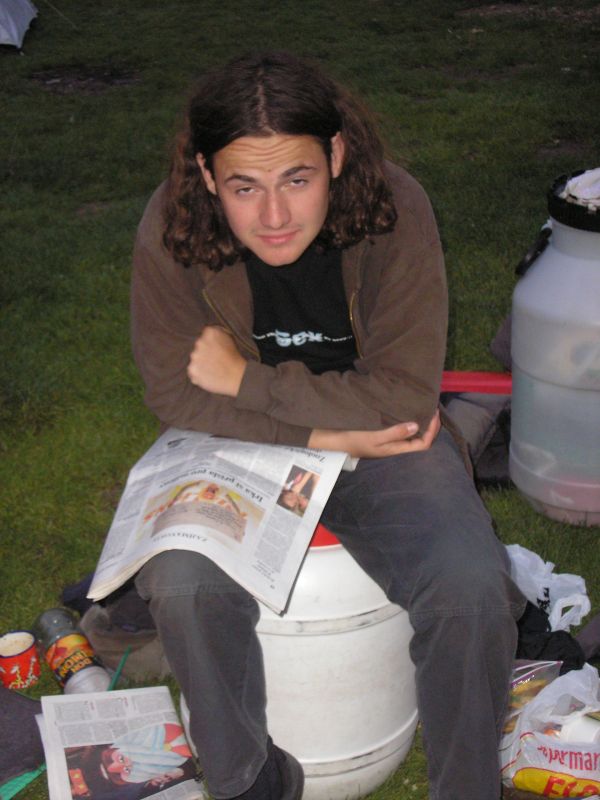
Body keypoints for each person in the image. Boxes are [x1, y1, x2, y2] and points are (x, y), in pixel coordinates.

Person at [131, 52, 525, 800]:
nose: (275, 216)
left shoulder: (395, 206)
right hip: (243, 442)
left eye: (297, 179)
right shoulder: (173, 221)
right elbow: (175, 391)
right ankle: (249, 781)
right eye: (244, 188)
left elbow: (404, 397)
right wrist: (324, 437)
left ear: (336, 155)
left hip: (386, 444)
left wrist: (246, 380)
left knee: (470, 587)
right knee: (181, 583)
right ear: (208, 175)